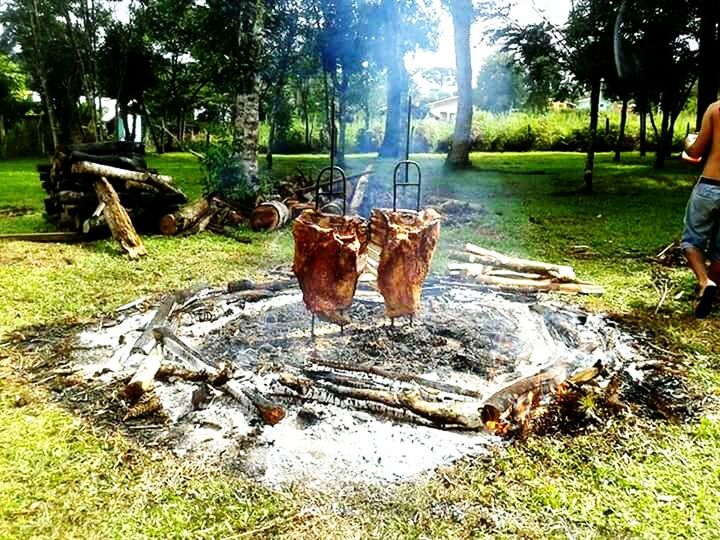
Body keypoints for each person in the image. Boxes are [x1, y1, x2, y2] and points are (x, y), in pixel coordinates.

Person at [682, 100, 720, 318]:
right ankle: (707, 296)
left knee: (691, 240)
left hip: (711, 186)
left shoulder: (715, 109)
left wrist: (689, 141)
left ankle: (705, 282)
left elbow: (696, 151)